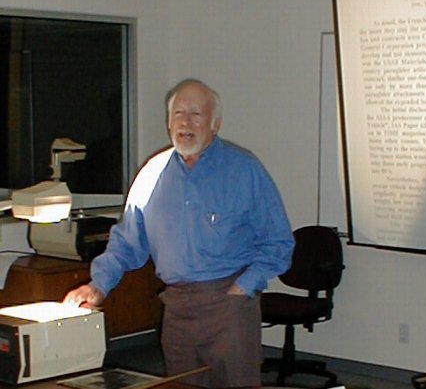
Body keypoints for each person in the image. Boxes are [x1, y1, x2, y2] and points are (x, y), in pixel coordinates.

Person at [64, 78, 295, 388]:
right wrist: (98, 286)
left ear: (215, 124)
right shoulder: (151, 174)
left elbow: (279, 242)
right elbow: (127, 244)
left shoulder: (244, 170)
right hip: (176, 309)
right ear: (168, 121)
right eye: (178, 113)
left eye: (196, 114)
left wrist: (242, 289)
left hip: (229, 307)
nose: (186, 122)